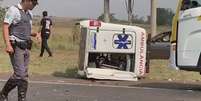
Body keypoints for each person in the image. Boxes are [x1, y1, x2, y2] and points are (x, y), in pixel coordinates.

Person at [0, 0, 39, 101]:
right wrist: (8, 45)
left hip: (26, 46)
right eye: (33, 3)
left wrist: (35, 34)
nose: (35, 5)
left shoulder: (29, 13)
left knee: (24, 75)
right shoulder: (13, 10)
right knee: (19, 74)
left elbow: (27, 29)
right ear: (27, 0)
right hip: (16, 46)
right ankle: (3, 94)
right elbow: (5, 27)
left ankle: (22, 98)